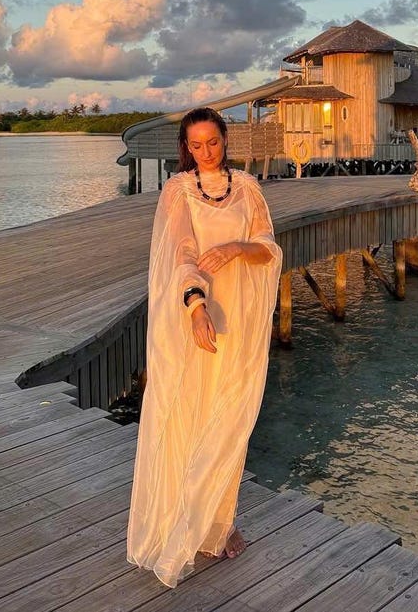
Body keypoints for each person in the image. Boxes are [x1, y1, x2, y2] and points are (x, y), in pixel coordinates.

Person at [126, 106, 283, 588]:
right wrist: (196, 307)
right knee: (191, 415)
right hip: (197, 314)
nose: (206, 152)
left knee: (230, 418)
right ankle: (181, 518)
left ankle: (218, 523)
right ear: (186, 148)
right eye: (196, 145)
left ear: (225, 139)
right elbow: (181, 254)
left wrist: (237, 247)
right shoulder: (178, 191)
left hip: (240, 316)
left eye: (212, 142)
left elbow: (268, 247)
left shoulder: (248, 188)